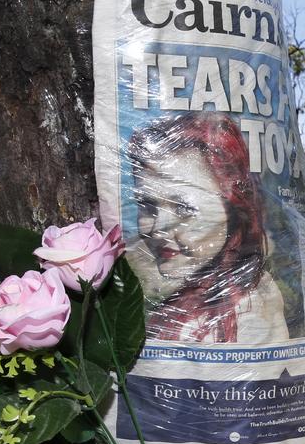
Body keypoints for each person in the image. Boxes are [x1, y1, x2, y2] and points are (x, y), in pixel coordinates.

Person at [124, 112, 289, 344]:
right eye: (147, 205)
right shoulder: (190, 298)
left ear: (233, 206)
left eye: (183, 207)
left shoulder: (250, 309)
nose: (157, 228)